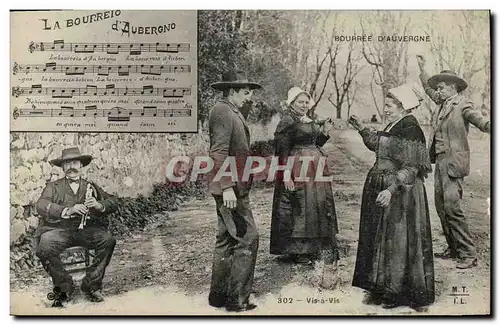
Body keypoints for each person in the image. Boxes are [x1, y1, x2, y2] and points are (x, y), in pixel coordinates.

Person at [349, 84, 435, 309]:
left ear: (402, 106)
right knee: (379, 238)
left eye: (389, 105)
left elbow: (412, 167)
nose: (385, 109)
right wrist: (361, 128)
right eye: (386, 105)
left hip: (400, 192)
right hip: (382, 187)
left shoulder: (411, 128)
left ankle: (396, 291)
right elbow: (380, 145)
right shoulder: (394, 123)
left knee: (397, 241)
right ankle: (379, 286)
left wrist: (391, 189)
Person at [417, 55, 491, 269]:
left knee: (452, 208)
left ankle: (468, 254)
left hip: (453, 165)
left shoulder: (462, 104)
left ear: (452, 88)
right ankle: (454, 248)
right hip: (439, 162)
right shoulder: (442, 102)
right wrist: (423, 70)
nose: (437, 92)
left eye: (440, 88)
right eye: (437, 89)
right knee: (441, 208)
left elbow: (479, 120)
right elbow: (428, 90)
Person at [207, 70, 262, 312]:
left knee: (227, 239)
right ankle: (236, 300)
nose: (248, 96)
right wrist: (228, 187)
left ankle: (218, 297)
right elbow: (218, 152)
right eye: (245, 92)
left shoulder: (230, 110)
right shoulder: (223, 111)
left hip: (231, 186)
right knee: (248, 238)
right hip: (230, 188)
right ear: (232, 91)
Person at [35, 147, 118, 303]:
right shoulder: (53, 187)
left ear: (81, 165)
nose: (71, 167)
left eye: (75, 162)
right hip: (60, 231)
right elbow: (41, 205)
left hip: (86, 231)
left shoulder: (90, 186)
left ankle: (91, 285)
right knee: (44, 246)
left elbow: (113, 202)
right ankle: (64, 286)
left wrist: (99, 205)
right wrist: (67, 210)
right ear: (62, 167)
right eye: (67, 163)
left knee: (108, 240)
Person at [270, 87, 339, 271]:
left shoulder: (309, 120)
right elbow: (282, 150)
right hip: (297, 167)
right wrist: (286, 174)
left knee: (314, 206)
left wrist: (325, 132)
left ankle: (313, 247)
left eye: (306, 102)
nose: (304, 105)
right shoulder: (287, 121)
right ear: (292, 103)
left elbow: (315, 143)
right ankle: (299, 251)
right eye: (300, 102)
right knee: (300, 206)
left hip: (314, 169)